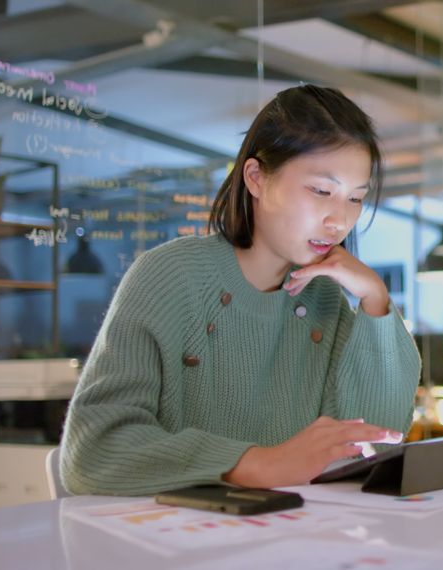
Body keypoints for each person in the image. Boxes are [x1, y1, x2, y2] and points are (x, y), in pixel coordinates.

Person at [61, 85, 420, 495]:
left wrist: (375, 300)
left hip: (291, 539)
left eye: (356, 199)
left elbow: (370, 445)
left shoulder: (323, 298)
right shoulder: (170, 276)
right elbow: (94, 452)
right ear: (255, 178)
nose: (339, 221)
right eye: (321, 191)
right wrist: (256, 464)